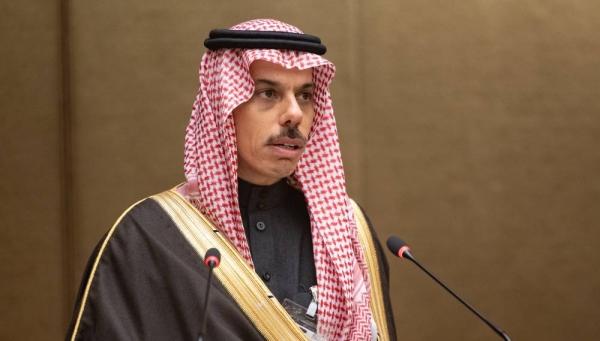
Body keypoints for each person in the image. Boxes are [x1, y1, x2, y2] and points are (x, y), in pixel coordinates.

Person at [65, 19, 396, 341]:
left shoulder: (347, 229)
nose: (294, 113)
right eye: (268, 93)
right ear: (223, 106)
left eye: (306, 95)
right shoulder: (149, 237)